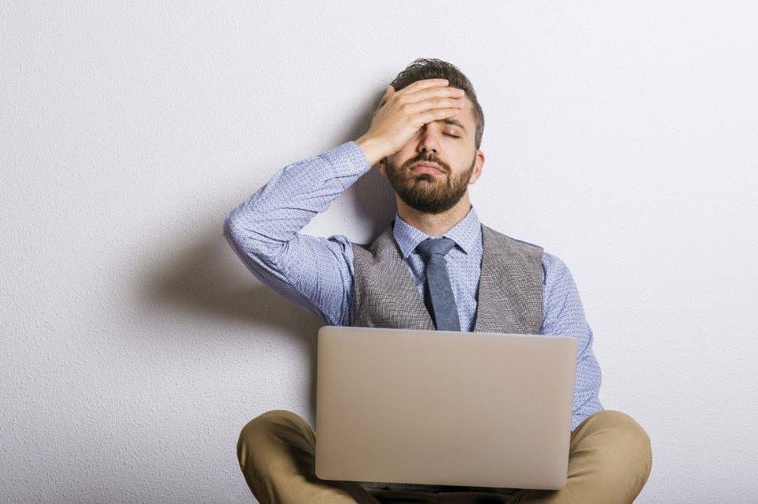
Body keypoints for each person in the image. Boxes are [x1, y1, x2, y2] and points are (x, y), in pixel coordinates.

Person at [224, 58, 652, 504]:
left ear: (477, 165)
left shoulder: (545, 274)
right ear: (384, 161)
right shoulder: (347, 271)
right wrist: (372, 142)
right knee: (269, 432)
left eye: (450, 132)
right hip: (381, 500)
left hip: (517, 499)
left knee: (618, 435)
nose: (429, 145)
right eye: (411, 130)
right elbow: (251, 230)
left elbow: (578, 417)